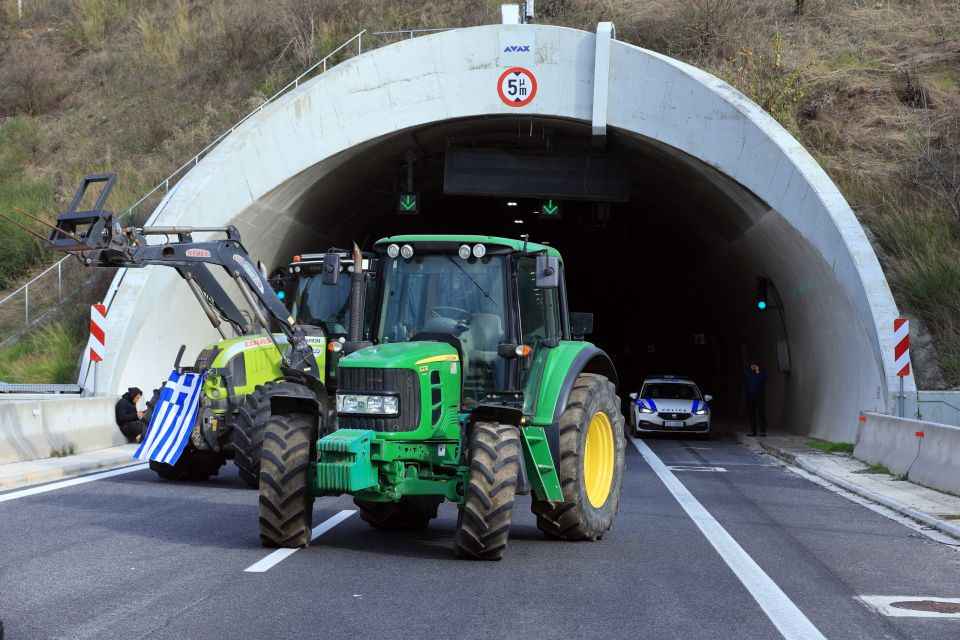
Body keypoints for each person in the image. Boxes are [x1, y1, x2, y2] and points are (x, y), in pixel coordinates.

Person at [744, 363, 768, 437]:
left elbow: (763, 381)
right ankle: (753, 431)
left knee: (761, 414)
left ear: (758, 366)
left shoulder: (762, 373)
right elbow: (745, 384)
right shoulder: (748, 374)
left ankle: (762, 431)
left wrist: (758, 372)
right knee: (751, 415)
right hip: (750, 397)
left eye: (754, 365)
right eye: (751, 365)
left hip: (759, 397)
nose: (753, 366)